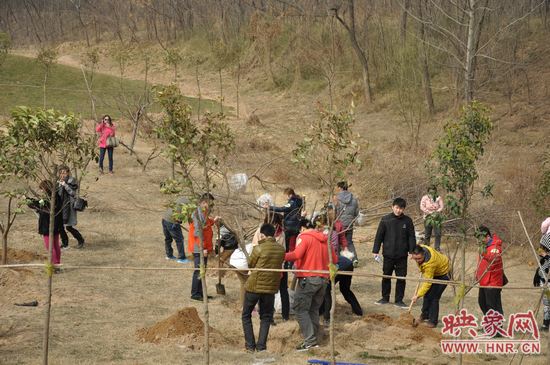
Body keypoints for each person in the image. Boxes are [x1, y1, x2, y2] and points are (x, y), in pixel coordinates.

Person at [285, 216, 338, 351]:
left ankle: (310, 341)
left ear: (302, 228)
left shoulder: (304, 237)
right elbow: (335, 259)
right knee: (313, 309)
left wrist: (281, 255)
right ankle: (315, 338)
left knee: (300, 309)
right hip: (323, 280)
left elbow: (297, 254)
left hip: (308, 279)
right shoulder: (326, 240)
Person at [241, 223, 285, 352]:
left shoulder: (259, 248)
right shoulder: (281, 249)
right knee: (266, 317)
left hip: (254, 286)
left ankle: (250, 346)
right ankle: (261, 347)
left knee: (246, 315)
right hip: (270, 288)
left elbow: (250, 264)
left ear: (262, 234)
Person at [267, 188, 303, 322]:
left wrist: (270, 207)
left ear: (289, 194)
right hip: (295, 228)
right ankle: (285, 315)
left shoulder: (292, 202)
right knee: (283, 289)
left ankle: (271, 315)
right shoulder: (300, 201)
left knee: (273, 289)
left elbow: (283, 208)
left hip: (290, 228)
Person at [372, 197, 416, 308]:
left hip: (402, 255)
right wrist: (375, 250)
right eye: (396, 207)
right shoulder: (385, 219)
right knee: (386, 276)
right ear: (392, 207)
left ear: (404, 209)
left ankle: (399, 300)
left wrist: (412, 251)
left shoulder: (408, 221)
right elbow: (379, 236)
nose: (398, 210)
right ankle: (385, 298)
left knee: (401, 277)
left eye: (401, 208)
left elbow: (411, 237)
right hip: (388, 254)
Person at [410, 244, 450, 328]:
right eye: (415, 259)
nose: (417, 261)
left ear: (423, 254)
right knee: (427, 294)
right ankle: (425, 315)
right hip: (435, 271)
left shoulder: (430, 264)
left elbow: (427, 283)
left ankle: (432, 321)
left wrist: (417, 295)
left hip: (443, 274)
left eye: (419, 259)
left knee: (434, 297)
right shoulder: (421, 248)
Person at [26, 180, 64, 267]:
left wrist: (28, 201)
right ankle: (57, 263)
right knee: (55, 245)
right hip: (56, 225)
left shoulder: (49, 198)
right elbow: (39, 204)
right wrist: (30, 200)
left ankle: (54, 265)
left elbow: (39, 205)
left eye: (42, 189)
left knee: (50, 247)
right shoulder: (55, 196)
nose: (41, 191)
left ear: (46, 188)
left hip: (48, 226)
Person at [188, 193, 217, 301]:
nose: (211, 206)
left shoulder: (203, 213)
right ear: (204, 202)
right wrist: (203, 248)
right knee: (198, 270)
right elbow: (198, 233)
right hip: (199, 247)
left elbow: (206, 223)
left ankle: (201, 292)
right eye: (210, 203)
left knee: (202, 269)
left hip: (202, 247)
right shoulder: (197, 214)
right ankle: (195, 293)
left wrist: (214, 221)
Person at [476, 225, 504, 316]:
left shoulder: (495, 246)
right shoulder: (484, 247)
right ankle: (489, 325)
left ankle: (497, 328)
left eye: (481, 238)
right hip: (484, 281)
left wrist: (483, 253)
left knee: (493, 306)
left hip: (493, 282)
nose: (479, 241)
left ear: (487, 236)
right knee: (482, 303)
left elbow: (493, 259)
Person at [57, 166, 85, 249]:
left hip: (69, 207)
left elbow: (73, 193)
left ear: (68, 173)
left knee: (69, 227)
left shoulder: (72, 181)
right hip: (60, 206)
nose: (63, 175)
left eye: (64, 173)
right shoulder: (58, 182)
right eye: (61, 173)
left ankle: (80, 240)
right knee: (60, 226)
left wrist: (65, 185)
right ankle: (65, 243)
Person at [334, 181, 360, 266]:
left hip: (339, 224)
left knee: (337, 242)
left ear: (340, 188)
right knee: (349, 242)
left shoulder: (336, 199)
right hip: (349, 224)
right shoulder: (354, 199)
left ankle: (338, 260)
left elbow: (334, 213)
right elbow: (356, 213)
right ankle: (354, 259)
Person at [162, 196, 191, 263]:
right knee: (179, 239)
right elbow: (186, 215)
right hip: (172, 222)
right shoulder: (190, 204)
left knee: (168, 238)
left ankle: (169, 255)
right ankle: (181, 258)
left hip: (164, 218)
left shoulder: (181, 198)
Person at [533, 231, 550, 332]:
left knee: (548, 303)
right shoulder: (544, 259)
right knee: (546, 303)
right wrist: (537, 274)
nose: (540, 250)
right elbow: (541, 269)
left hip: (548, 283)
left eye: (543, 248)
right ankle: (546, 323)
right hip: (545, 283)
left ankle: (546, 323)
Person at [420, 186, 444, 251]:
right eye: (430, 192)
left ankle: (437, 247)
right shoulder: (425, 198)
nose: (432, 193)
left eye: (433, 192)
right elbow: (422, 206)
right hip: (427, 217)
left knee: (438, 233)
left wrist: (436, 212)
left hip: (436, 218)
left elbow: (441, 206)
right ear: (428, 191)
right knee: (427, 233)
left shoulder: (438, 197)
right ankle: (426, 248)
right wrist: (429, 212)